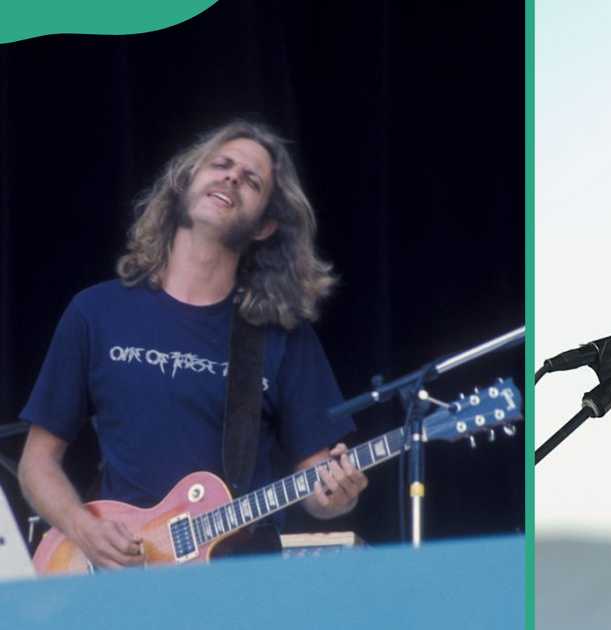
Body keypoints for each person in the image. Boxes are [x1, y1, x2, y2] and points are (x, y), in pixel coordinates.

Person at [17, 120, 367, 569]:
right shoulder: (96, 311)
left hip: (235, 584)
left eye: (251, 180)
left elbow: (319, 486)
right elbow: (37, 463)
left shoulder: (283, 337)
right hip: (119, 575)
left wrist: (336, 497)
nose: (232, 177)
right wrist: (83, 528)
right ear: (184, 183)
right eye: (221, 164)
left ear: (264, 226)